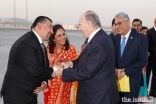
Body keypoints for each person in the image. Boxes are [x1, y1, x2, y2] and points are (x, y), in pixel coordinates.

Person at [54, 10, 119, 104]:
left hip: (98, 97)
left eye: (80, 25)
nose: (78, 29)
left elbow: (87, 72)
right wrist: (70, 64)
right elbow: (87, 60)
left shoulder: (99, 43)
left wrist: (63, 73)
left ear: (89, 24)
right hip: (95, 95)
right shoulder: (99, 38)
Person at [0, 16, 58, 104]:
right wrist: (56, 69)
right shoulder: (26, 43)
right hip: (17, 95)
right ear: (39, 25)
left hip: (29, 93)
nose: (52, 31)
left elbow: (43, 66)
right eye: (50, 27)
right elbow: (35, 70)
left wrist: (43, 82)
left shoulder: (38, 44)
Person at [113, 12, 148, 104]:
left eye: (119, 23)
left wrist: (125, 71)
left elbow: (143, 61)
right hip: (115, 83)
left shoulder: (141, 38)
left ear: (128, 22)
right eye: (116, 24)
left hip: (131, 83)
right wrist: (115, 70)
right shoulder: (114, 39)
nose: (117, 26)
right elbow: (109, 58)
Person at [43, 24, 78, 104]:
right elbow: (43, 68)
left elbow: (75, 67)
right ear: (53, 39)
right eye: (59, 35)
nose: (63, 37)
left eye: (63, 34)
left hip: (64, 86)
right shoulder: (47, 50)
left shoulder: (70, 49)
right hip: (49, 86)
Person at [147, 18, 156, 97]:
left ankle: (152, 92)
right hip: (151, 57)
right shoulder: (150, 32)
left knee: (155, 75)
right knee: (148, 74)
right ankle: (145, 92)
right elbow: (149, 45)